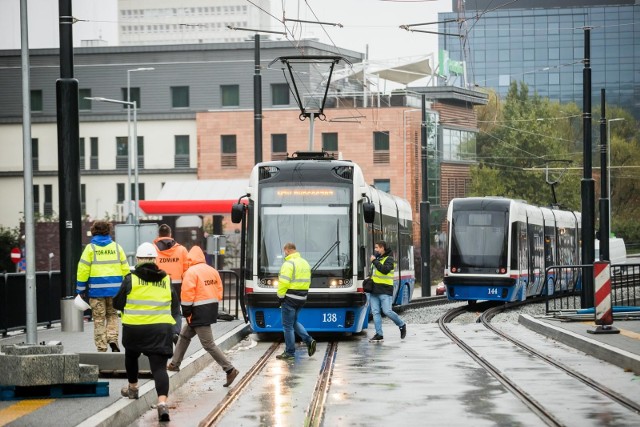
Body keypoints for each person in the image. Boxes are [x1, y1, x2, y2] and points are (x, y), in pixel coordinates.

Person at [113, 242, 179, 422]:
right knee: (159, 368)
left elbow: (117, 303)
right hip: (160, 330)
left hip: (134, 329)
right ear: (155, 260)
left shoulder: (130, 279)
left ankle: (133, 388)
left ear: (138, 259)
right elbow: (175, 305)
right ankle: (162, 404)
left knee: (131, 356)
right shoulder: (166, 279)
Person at [167, 245, 240, 387]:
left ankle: (229, 369)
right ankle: (175, 363)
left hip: (197, 312)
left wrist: (187, 312)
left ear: (191, 258)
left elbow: (187, 295)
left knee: (208, 344)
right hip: (209, 310)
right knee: (184, 335)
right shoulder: (212, 271)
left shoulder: (191, 272)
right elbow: (219, 292)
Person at [76, 220, 130, 352]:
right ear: (108, 231)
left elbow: (83, 270)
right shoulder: (117, 248)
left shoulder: (90, 249)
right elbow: (125, 269)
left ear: (94, 231)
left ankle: (102, 347)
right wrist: (127, 287)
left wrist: (80, 289)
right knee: (112, 315)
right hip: (115, 291)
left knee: (99, 319)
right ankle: (112, 339)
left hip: (96, 291)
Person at [275, 242, 316, 360]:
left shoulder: (288, 264)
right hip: (302, 298)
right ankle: (309, 340)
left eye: (284, 251)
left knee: (287, 326)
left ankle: (290, 352)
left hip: (290, 298)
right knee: (293, 322)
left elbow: (284, 282)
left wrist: (280, 296)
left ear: (287, 250)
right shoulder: (304, 263)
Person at [153, 224, 189, 342]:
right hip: (177, 285)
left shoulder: (153, 249)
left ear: (159, 235)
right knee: (176, 311)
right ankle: (175, 332)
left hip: (158, 284)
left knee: (160, 310)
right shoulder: (182, 250)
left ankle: (161, 334)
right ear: (170, 234)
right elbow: (186, 270)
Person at [368, 241, 407, 343]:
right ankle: (379, 334)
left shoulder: (389, 259)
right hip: (374, 291)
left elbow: (384, 270)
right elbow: (373, 273)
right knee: (375, 312)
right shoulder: (376, 259)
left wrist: (374, 261)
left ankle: (402, 325)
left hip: (385, 290)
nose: (375, 249)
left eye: (377, 247)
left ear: (382, 248)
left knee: (387, 311)